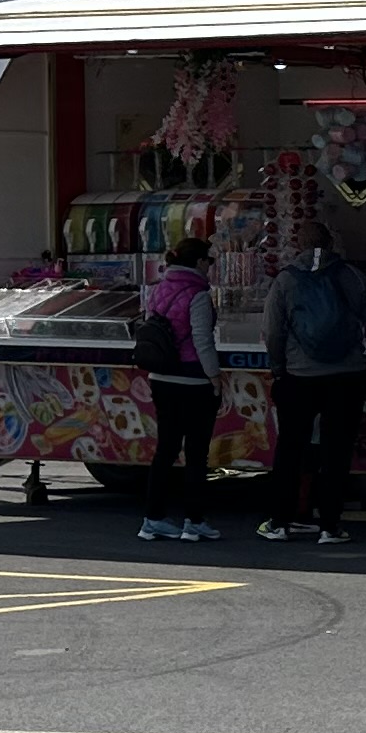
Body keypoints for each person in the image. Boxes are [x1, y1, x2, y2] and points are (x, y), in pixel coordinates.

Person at [259, 221, 366, 547]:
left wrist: (278, 368)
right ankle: (330, 526)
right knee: (336, 452)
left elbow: (272, 331)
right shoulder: (352, 276)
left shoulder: (286, 280)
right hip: (347, 375)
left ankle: (280, 522)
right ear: (331, 244)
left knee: (290, 449)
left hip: (299, 376)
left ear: (297, 244)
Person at [131, 232, 222, 543]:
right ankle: (194, 520)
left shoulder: (158, 290)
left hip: (161, 378)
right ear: (199, 262)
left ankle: (152, 518)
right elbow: (202, 341)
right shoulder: (198, 295)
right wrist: (215, 377)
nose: (210, 267)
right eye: (209, 261)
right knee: (196, 454)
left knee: (166, 450)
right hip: (193, 380)